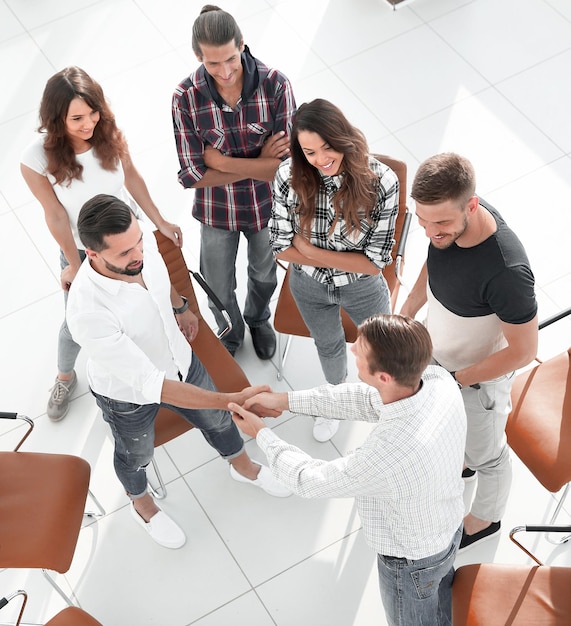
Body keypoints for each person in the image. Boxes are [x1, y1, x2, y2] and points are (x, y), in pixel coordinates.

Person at [66, 194, 291, 550]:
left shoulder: (141, 246)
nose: (137, 254)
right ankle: (142, 506)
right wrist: (230, 399)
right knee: (135, 455)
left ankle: (242, 467)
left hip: (182, 360)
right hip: (129, 395)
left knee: (218, 422)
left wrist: (181, 306)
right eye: (124, 254)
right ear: (92, 254)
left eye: (138, 241)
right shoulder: (87, 312)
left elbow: (157, 275)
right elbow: (156, 386)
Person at [229, 314, 466, 626]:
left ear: (383, 376)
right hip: (447, 529)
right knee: (439, 605)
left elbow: (310, 480)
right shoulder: (437, 381)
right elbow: (365, 400)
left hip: (411, 563)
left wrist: (262, 434)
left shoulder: (390, 453)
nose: (352, 349)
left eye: (361, 350)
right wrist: (285, 400)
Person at [20, 66, 182, 422]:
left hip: (126, 237)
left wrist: (159, 223)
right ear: (55, 118)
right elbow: (56, 215)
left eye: (93, 112)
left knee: (145, 298)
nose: (88, 123)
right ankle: (65, 376)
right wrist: (75, 268)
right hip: (82, 248)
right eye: (77, 117)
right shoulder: (36, 158)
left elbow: (133, 178)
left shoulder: (107, 131)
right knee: (75, 321)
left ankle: (152, 364)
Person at [399, 152, 538, 551]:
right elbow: (434, 260)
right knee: (452, 433)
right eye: (423, 221)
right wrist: (410, 308)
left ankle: (484, 519)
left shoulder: (506, 272)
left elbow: (525, 350)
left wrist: (458, 381)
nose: (430, 232)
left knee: (488, 457)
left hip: (476, 381)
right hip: (442, 354)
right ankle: (461, 465)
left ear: (472, 206)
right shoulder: (446, 226)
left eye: (440, 222)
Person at [269, 98, 399, 442]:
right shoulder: (288, 177)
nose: (321, 160)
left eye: (327, 148)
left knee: (382, 349)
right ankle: (337, 401)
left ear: (342, 138)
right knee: (328, 346)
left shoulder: (380, 182)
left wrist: (309, 249)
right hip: (308, 286)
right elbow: (281, 245)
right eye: (310, 152)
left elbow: (374, 262)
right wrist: (323, 257)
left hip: (363, 287)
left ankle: (389, 403)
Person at [172, 4, 296, 360]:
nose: (224, 72)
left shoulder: (276, 86)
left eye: (230, 58)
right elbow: (193, 176)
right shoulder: (185, 98)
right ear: (198, 56)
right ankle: (230, 330)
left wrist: (222, 161)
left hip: (268, 206)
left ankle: (258, 319)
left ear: (243, 44)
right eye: (213, 63)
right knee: (216, 284)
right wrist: (260, 161)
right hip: (216, 209)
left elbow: (284, 170)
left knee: (264, 275)